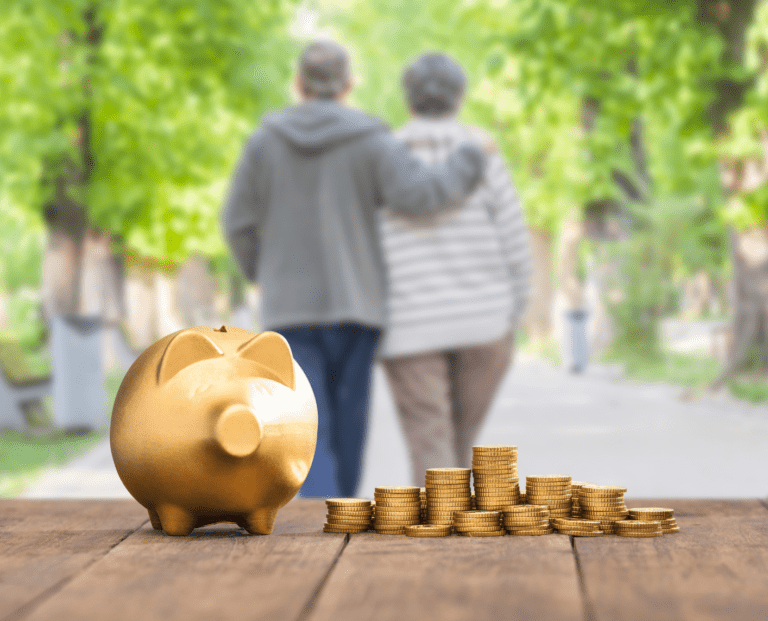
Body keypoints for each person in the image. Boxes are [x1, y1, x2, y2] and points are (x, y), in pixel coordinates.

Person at [221, 41, 487, 498]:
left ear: (300, 84)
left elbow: (237, 222)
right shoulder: (370, 140)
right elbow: (420, 195)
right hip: (357, 306)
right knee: (348, 426)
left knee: (304, 422)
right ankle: (336, 513)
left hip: (290, 311)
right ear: (347, 85)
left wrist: (262, 274)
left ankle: (317, 518)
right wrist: (469, 159)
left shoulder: (264, 143)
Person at [378, 52, 533, 485]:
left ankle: (438, 538)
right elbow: (515, 241)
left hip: (409, 325)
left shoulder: (383, 158)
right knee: (458, 446)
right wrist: (511, 315)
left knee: (432, 445)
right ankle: (457, 529)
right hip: (484, 323)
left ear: (407, 99)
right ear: (459, 98)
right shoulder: (483, 153)